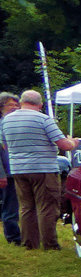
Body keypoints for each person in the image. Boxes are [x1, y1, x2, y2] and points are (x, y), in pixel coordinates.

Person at [1, 90, 77, 250]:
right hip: (43, 168)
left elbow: (5, 145)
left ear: (21, 102)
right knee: (47, 207)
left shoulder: (6, 121)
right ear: (40, 104)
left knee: (26, 207)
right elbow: (63, 145)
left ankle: (29, 243)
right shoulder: (43, 119)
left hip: (18, 169)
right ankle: (50, 244)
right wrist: (73, 142)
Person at [0, 92, 21, 245]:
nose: (14, 107)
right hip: (6, 172)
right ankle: (13, 237)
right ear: (1, 108)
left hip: (19, 170)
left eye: (16, 105)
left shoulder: (15, 124)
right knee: (10, 205)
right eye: (10, 105)